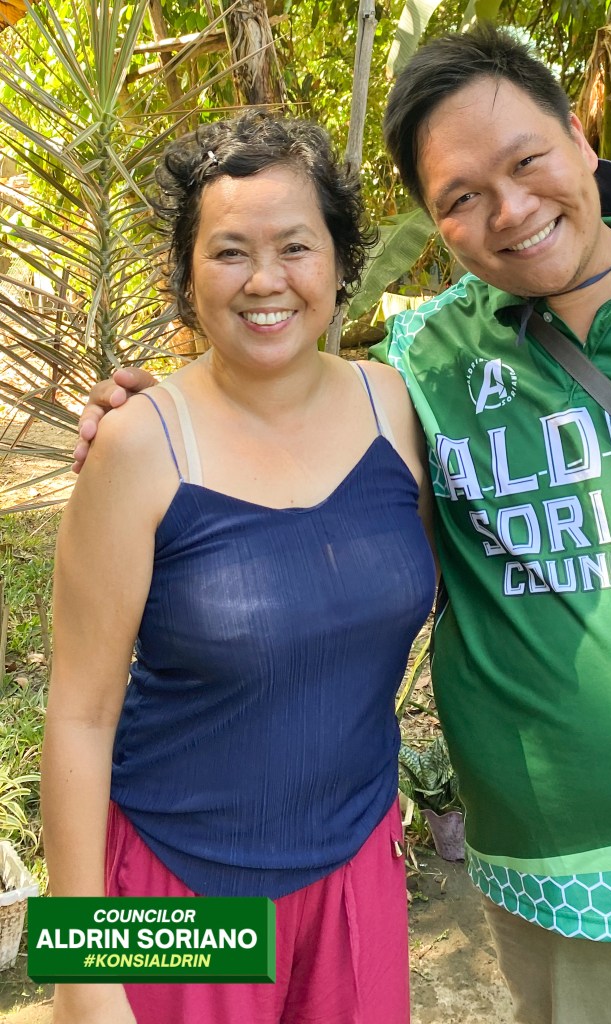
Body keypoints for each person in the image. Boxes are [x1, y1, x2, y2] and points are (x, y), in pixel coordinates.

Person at [76, 27, 611, 1024]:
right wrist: (79, 960)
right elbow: (78, 719)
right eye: (460, 196)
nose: (512, 210)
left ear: (581, 139)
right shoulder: (421, 362)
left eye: (527, 162)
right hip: (210, 887)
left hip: (397, 882)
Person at [43, 111, 436, 1024]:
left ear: (340, 261)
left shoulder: (395, 406)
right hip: (178, 894)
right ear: (188, 277)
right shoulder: (140, 446)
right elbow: (79, 714)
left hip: (356, 873)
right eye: (229, 252)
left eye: (295, 246)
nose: (266, 281)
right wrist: (82, 972)